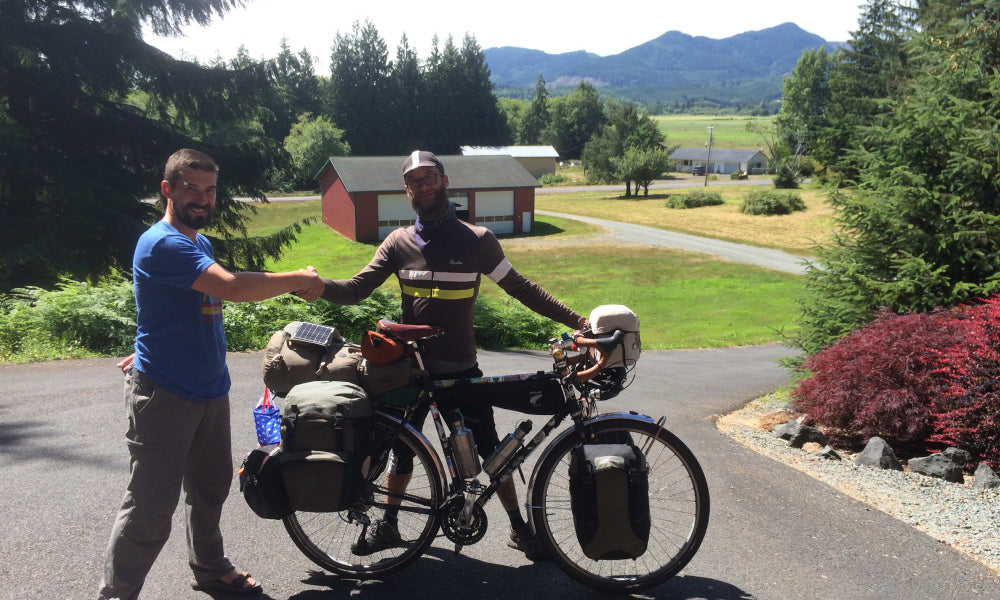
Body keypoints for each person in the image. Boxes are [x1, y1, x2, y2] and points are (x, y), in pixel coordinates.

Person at [317, 150, 586, 560]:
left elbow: (522, 289)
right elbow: (356, 289)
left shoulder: (477, 241)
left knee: (492, 451)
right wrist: (315, 285)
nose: (423, 185)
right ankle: (389, 524)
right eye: (414, 181)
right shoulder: (397, 243)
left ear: (445, 180)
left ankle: (519, 528)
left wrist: (578, 321)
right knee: (401, 450)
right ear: (407, 191)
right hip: (409, 369)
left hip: (461, 367)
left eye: (429, 177)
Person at [97, 148, 324, 600]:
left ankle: (209, 567)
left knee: (210, 487)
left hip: (208, 388)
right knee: (150, 508)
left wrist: (147, 341)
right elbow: (233, 288)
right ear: (168, 189)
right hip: (165, 393)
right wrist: (298, 277)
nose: (202, 199)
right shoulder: (163, 242)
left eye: (210, 190)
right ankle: (114, 595)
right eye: (192, 189)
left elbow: (204, 290)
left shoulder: (199, 244)